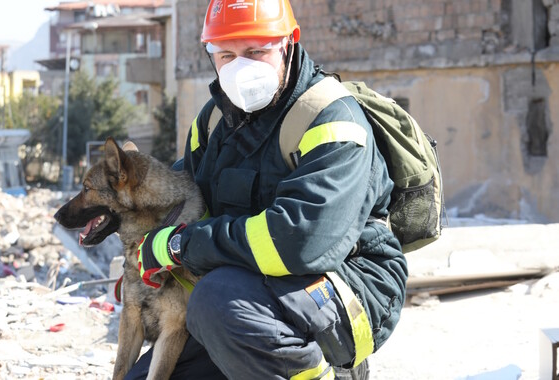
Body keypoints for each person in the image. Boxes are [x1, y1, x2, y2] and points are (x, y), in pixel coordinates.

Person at [131, 0, 408, 379]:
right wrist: (143, 241)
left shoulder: (332, 119)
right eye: (226, 54)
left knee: (216, 301)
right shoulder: (212, 122)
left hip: (342, 289)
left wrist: (180, 245)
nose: (240, 68)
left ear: (289, 42)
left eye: (256, 52)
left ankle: (328, 372)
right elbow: (184, 199)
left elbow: (299, 243)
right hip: (245, 296)